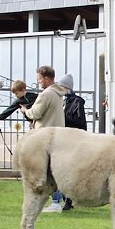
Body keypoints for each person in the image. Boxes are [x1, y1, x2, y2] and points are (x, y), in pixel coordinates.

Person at [20, 66, 69, 213]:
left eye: (40, 79)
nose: (39, 82)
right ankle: (56, 201)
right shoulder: (58, 94)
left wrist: (25, 111)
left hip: (45, 137)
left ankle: (55, 202)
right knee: (52, 170)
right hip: (56, 135)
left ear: (46, 78)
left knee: (48, 171)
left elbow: (36, 112)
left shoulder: (47, 94)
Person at [56, 73, 87, 211]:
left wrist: (63, 119)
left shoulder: (77, 102)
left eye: (61, 86)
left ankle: (69, 200)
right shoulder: (61, 101)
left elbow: (81, 122)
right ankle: (65, 199)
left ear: (67, 87)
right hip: (63, 140)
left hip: (73, 141)